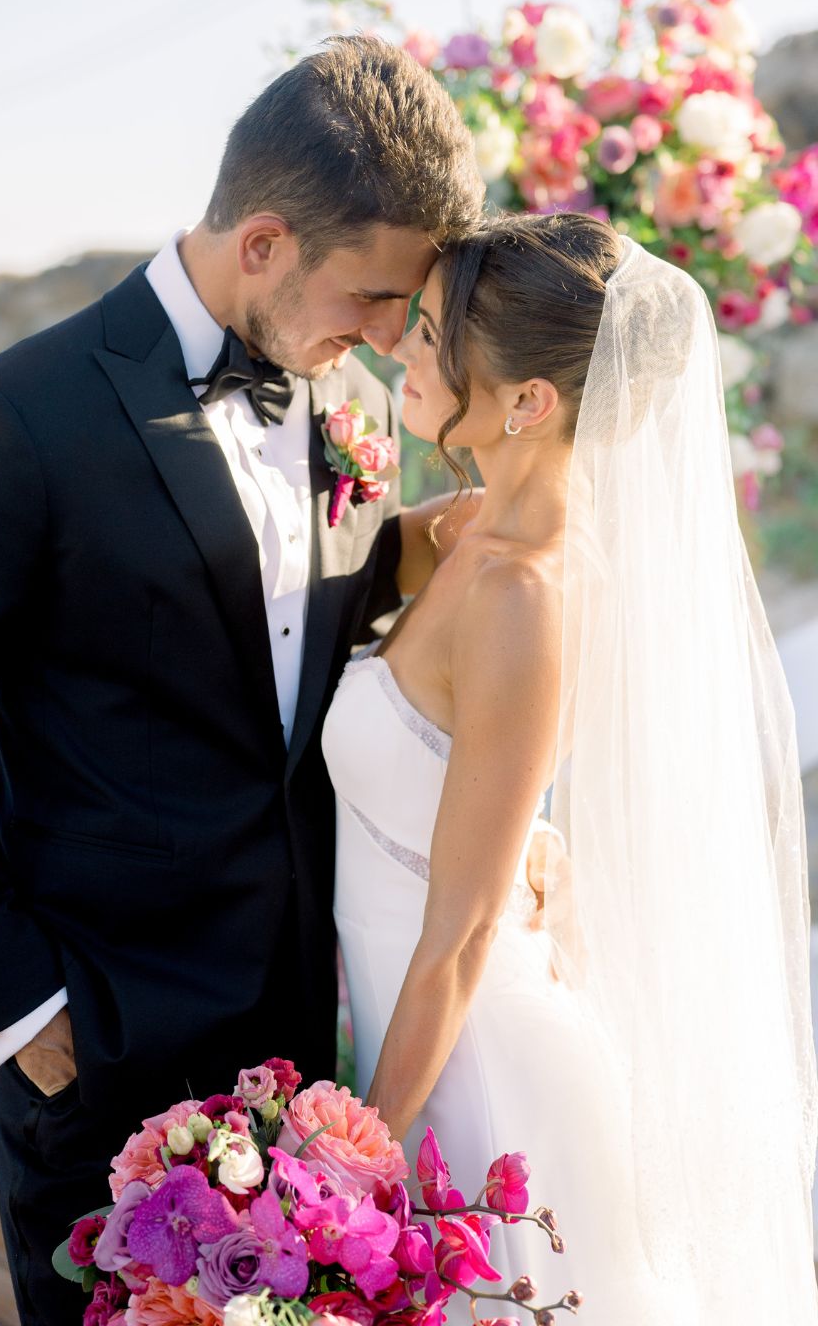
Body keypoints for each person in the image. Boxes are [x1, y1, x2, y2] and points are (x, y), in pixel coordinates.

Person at [0, 34, 482, 1323]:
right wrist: (18, 1013)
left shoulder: (344, 401)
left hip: (321, 1054)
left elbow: (306, 647)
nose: (383, 337)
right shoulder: (10, 424)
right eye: (370, 299)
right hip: (104, 1053)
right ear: (262, 244)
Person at [329, 211, 818, 1319]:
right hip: (415, 1025)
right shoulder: (459, 533)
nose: (399, 347)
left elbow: (454, 939)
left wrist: (350, 1164)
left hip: (478, 1078)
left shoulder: (520, 592)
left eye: (433, 334)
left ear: (527, 401)